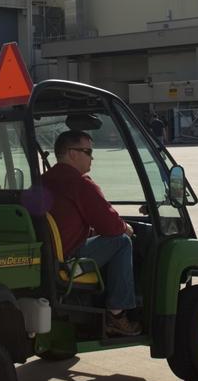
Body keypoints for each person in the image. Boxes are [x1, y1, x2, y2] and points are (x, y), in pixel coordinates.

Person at [40, 130, 141, 336]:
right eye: (87, 151)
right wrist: (126, 228)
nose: (92, 157)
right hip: (69, 261)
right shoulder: (79, 183)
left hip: (45, 257)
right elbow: (111, 226)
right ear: (72, 153)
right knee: (122, 241)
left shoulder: (42, 181)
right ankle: (116, 314)